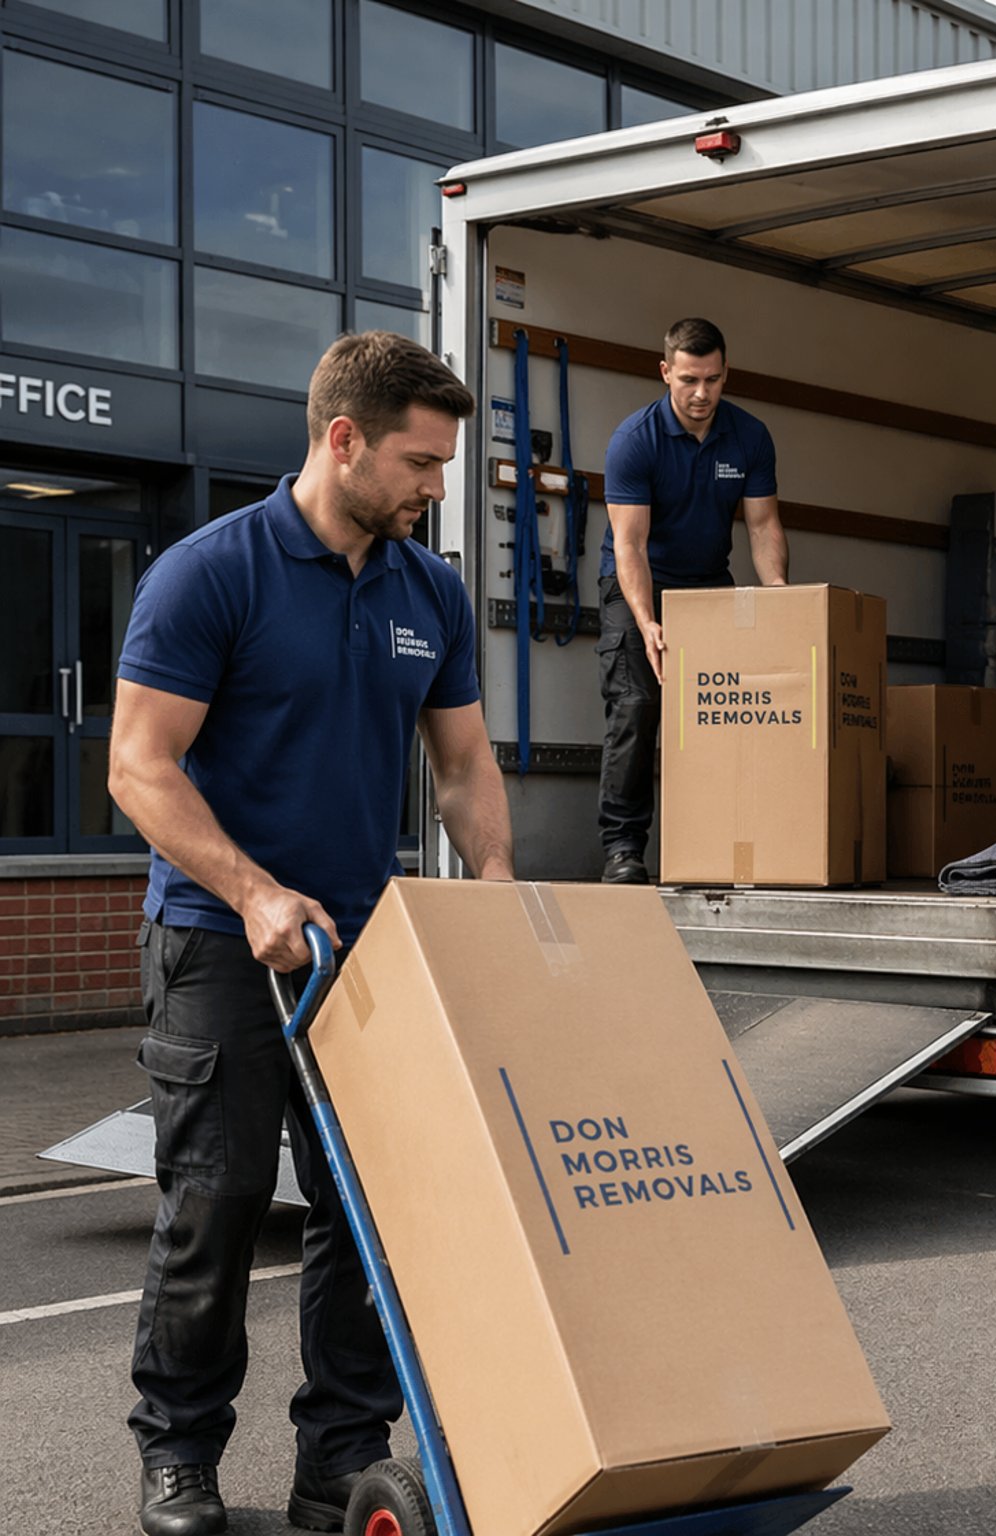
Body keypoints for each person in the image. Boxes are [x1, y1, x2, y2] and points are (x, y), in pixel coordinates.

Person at [109, 332, 513, 1535]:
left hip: (364, 949)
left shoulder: (426, 589)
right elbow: (138, 766)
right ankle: (178, 1452)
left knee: (364, 1204)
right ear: (342, 440)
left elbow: (463, 760)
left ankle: (339, 1454)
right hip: (219, 940)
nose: (436, 489)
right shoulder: (211, 574)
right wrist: (251, 892)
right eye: (419, 462)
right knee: (218, 1199)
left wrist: (491, 872)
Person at [597, 317, 786, 883]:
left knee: (722, 713)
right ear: (665, 373)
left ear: (726, 374)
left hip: (708, 583)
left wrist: (776, 594)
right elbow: (629, 544)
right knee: (636, 709)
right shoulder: (635, 441)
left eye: (711, 379)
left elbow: (762, 525)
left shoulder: (750, 436)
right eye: (687, 380)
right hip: (638, 584)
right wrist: (648, 621)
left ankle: (711, 841)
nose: (701, 393)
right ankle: (623, 849)